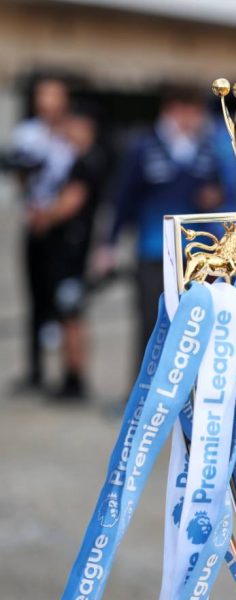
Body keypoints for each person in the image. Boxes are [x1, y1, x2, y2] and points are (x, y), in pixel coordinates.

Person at [95, 85, 222, 366]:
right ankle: (143, 394)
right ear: (174, 110)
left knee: (193, 322)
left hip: (195, 254)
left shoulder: (205, 147)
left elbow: (215, 191)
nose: (195, 120)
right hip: (153, 250)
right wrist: (109, 243)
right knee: (151, 322)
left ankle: (187, 395)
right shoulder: (143, 146)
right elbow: (123, 197)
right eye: (190, 112)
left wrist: (212, 196)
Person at [29, 103, 107, 399]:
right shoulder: (85, 160)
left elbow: (71, 201)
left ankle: (75, 377)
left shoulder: (85, 163)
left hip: (72, 248)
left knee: (70, 311)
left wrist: (43, 218)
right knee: (68, 313)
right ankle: (71, 375)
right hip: (73, 245)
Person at [9, 75, 74, 391]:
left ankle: (68, 373)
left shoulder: (72, 134)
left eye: (55, 95)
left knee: (63, 299)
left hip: (64, 227)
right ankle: (35, 371)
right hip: (34, 222)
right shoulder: (27, 133)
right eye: (43, 96)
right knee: (34, 297)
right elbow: (17, 173)